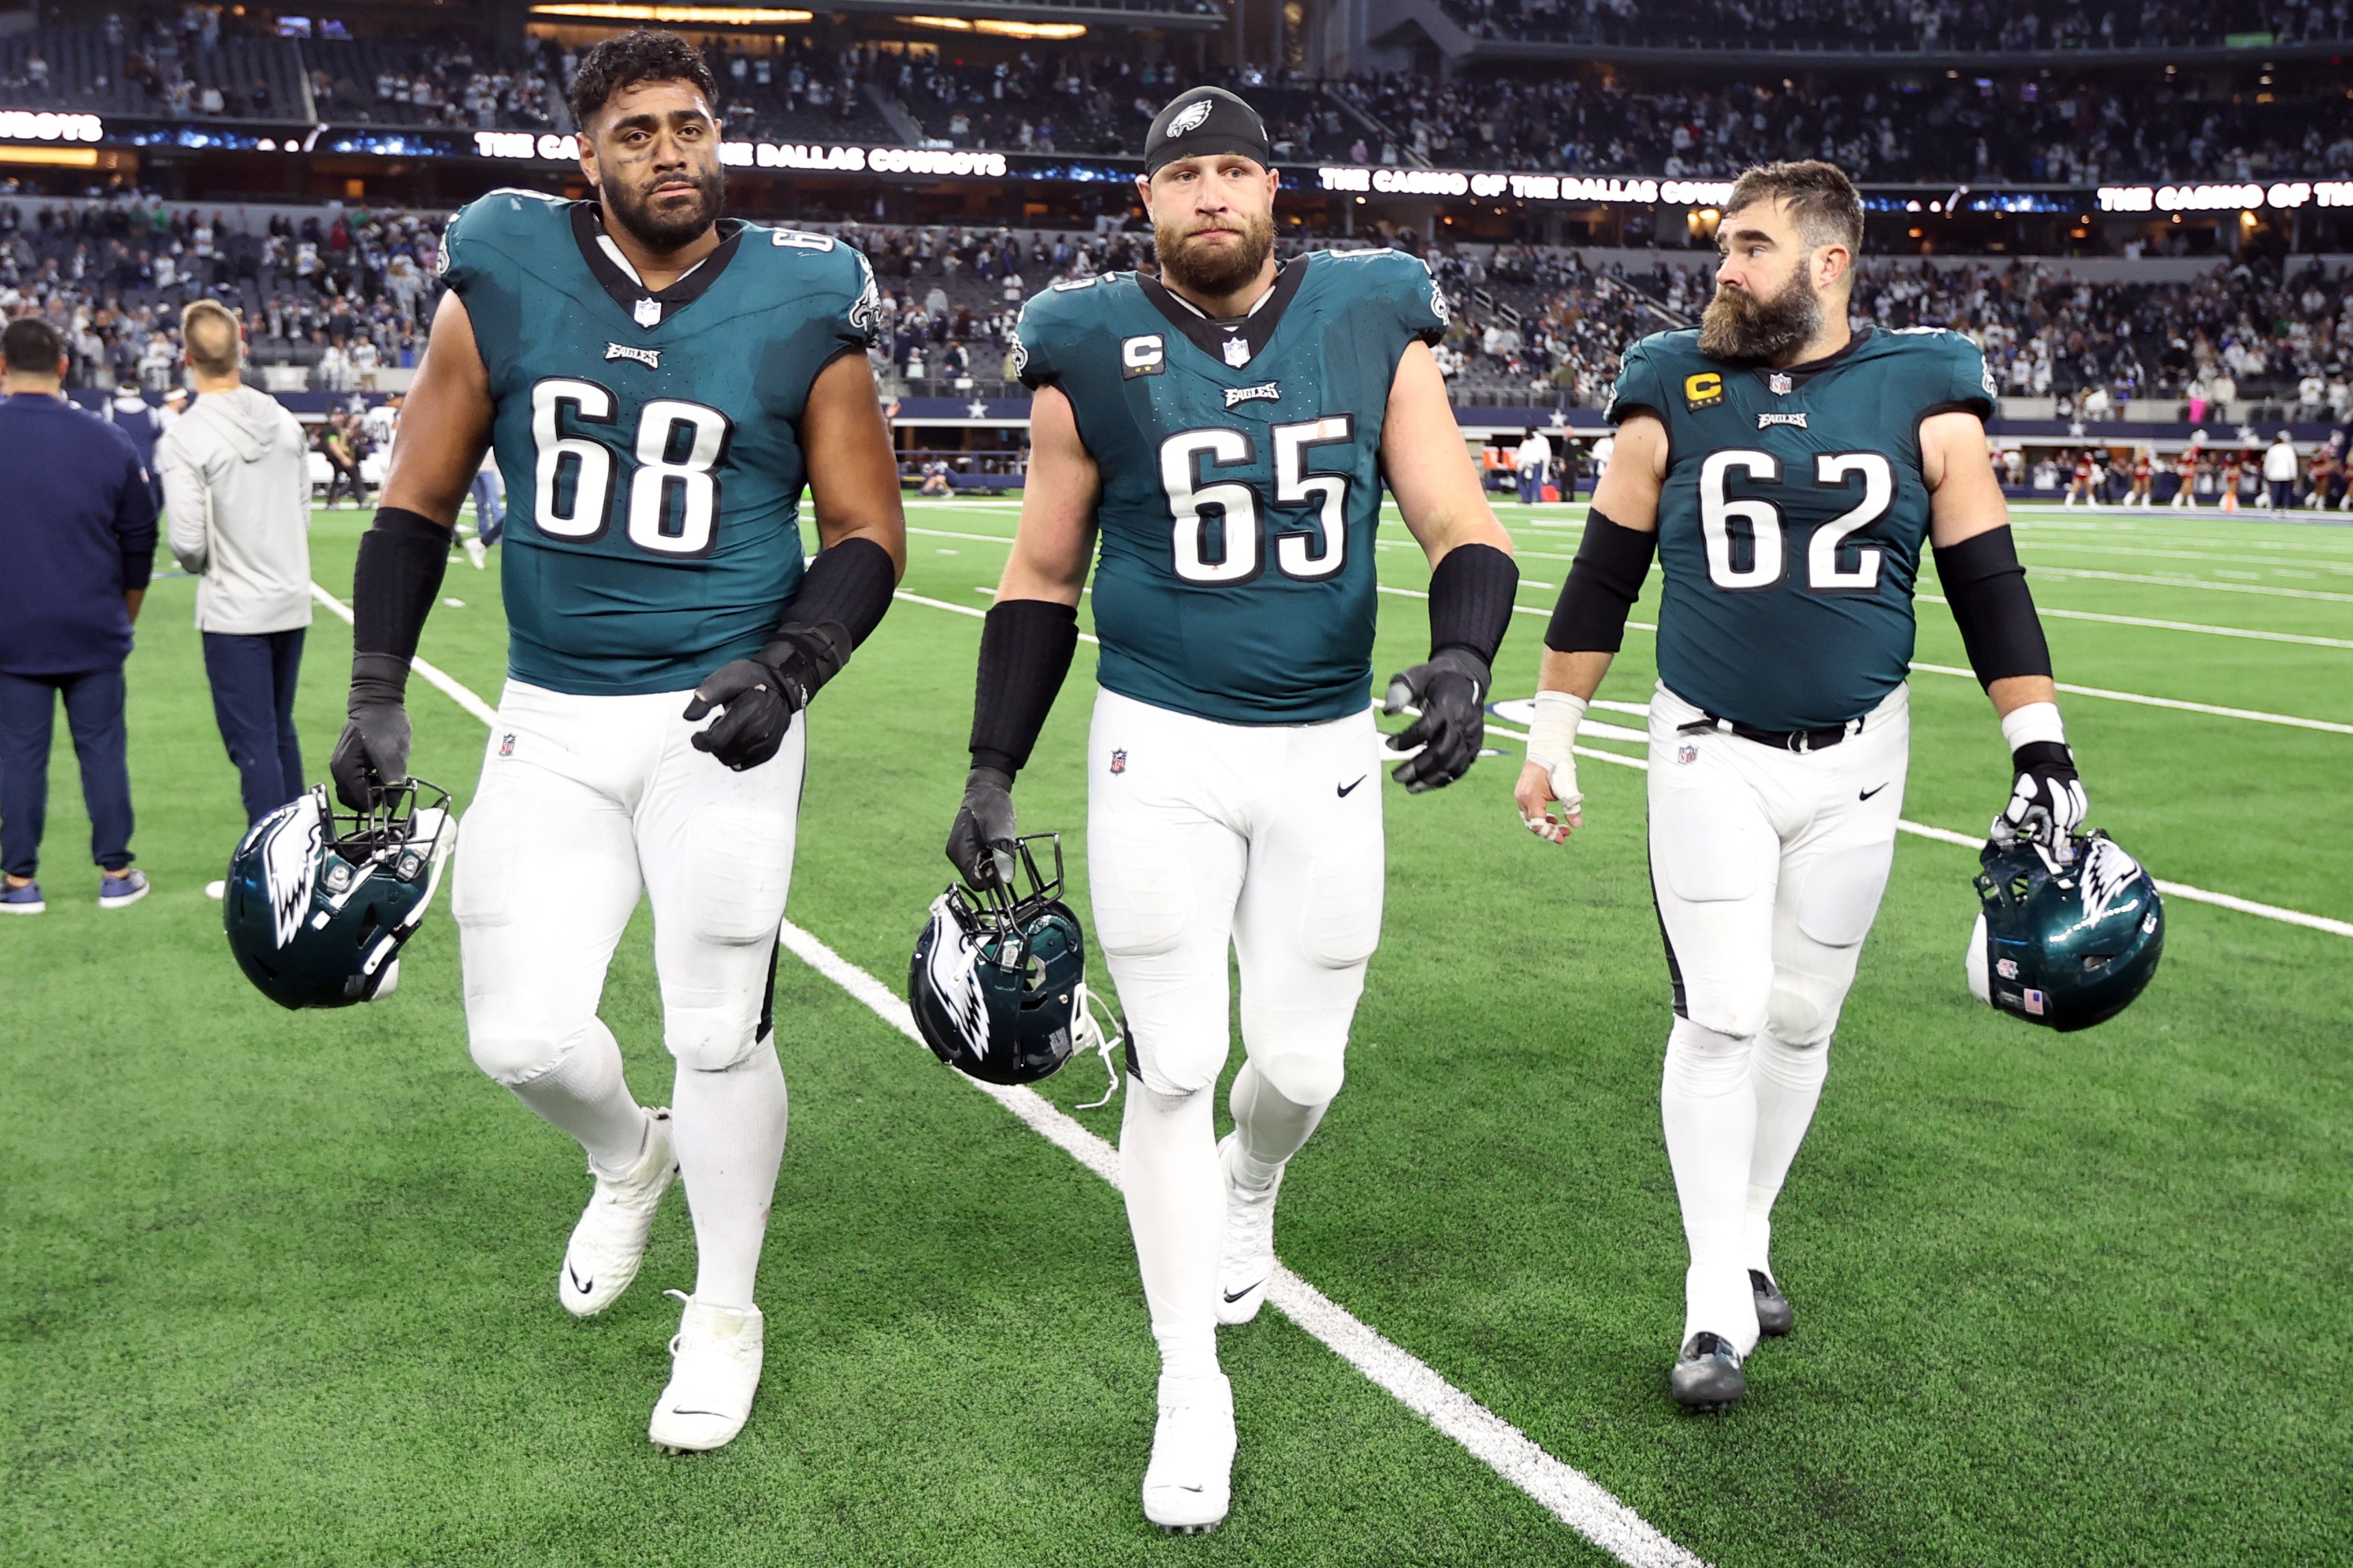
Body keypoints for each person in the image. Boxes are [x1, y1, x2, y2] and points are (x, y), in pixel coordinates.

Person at [943, 87, 1516, 1533]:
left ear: (1272, 187)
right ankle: (1187, 1380)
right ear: (1146, 201)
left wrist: (1463, 653)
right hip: (1159, 745)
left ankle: (1251, 1184)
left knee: (1303, 1071)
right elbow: (1038, 576)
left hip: (1321, 746)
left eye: (1231, 170)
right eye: (1180, 174)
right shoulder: (1082, 337)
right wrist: (990, 767)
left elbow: (1460, 522)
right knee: (1176, 1061)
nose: (1209, 195)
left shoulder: (1375, 311)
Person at [328, 29, 905, 1455]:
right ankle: (626, 1156)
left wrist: (794, 662)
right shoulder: (507, 272)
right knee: (518, 1032)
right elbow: (416, 496)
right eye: (638, 130)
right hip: (554, 707)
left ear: (721, 142)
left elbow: (867, 530)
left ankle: (723, 1308)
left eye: (692, 125)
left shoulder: (799, 295)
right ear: (587, 159)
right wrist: (376, 687)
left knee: (716, 1023)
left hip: (723, 721)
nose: (672, 150)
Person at [1514, 161, 2087, 1412]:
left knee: (1802, 1015)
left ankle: (1750, 1230)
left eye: (1754, 246)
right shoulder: (1672, 381)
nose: (1725, 266)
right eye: (1725, 244)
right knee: (1721, 1012)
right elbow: (1606, 568)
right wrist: (1552, 727)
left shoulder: (1927, 386)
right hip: (1710, 744)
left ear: (1830, 263)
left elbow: (1987, 576)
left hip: (1861, 760)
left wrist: (2039, 741)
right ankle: (1715, 1294)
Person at [0, 316, 157, 914]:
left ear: (2, 365)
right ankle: (116, 872)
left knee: (18, 754)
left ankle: (19, 882)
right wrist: (126, 613)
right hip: (93, 625)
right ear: (65, 366)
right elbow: (140, 539)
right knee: (102, 749)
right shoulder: (106, 439)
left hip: (12, 631)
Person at [157, 300, 314, 827]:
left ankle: (273, 873)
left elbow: (187, 543)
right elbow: (303, 510)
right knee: (278, 730)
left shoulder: (185, 438)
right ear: (242, 349)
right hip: (290, 598)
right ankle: (301, 850)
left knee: (251, 745)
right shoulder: (287, 421)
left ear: (187, 357)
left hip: (233, 610)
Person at [1514, 425, 1552, 505]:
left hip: (1527, 464)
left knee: (1521, 482)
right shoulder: (1541, 440)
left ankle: (1527, 498)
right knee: (1534, 482)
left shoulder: (1526, 443)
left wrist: (1519, 466)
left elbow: (1522, 456)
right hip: (1537, 463)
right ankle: (1534, 498)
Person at [2263, 430, 2298, 511]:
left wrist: (2266, 473)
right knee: (2286, 493)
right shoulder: (2289, 449)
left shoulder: (2272, 449)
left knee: (2275, 492)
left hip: (2274, 475)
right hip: (2286, 475)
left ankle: (2273, 507)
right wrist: (2293, 475)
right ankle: (2286, 507)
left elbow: (2268, 463)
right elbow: (2292, 463)